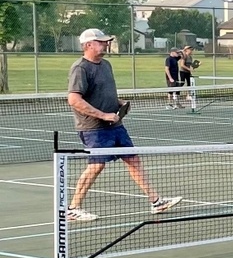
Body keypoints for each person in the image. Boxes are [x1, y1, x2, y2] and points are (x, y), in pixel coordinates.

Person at [64, 29, 183, 222]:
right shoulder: (80, 68)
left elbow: (100, 92)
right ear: (88, 45)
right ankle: (73, 208)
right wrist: (103, 115)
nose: (106, 44)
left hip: (115, 125)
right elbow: (74, 99)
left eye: (106, 41)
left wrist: (118, 103)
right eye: (101, 42)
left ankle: (156, 201)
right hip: (93, 127)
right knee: (96, 166)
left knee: (133, 160)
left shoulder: (106, 65)